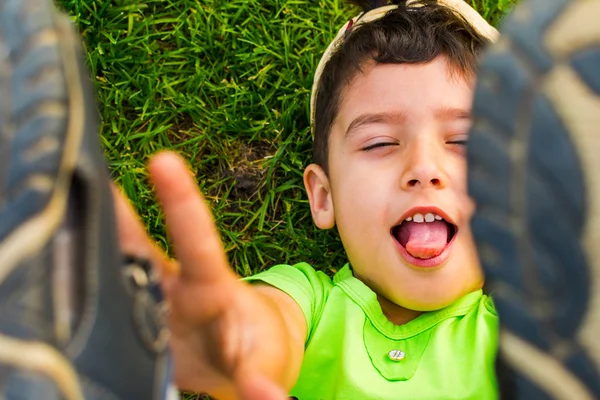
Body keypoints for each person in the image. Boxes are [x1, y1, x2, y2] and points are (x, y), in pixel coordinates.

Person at [2, 0, 600, 400]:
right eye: (381, 142)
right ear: (323, 196)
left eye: (466, 141)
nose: (424, 168)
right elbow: (268, 329)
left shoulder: (531, 329)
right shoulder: (312, 303)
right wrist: (239, 339)